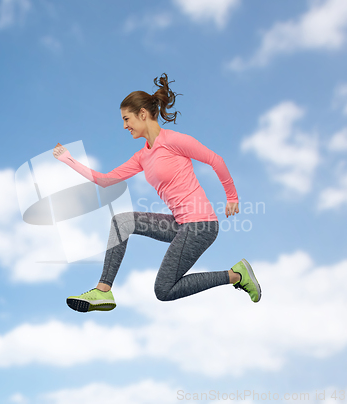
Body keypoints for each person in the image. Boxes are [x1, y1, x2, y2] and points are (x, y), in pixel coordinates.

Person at [53, 73, 261, 313]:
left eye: (126, 118)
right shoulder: (142, 156)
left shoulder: (173, 140)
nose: (124, 126)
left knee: (163, 290)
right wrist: (69, 160)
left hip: (201, 225)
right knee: (122, 222)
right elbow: (105, 180)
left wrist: (232, 197)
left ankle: (236, 275)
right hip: (180, 224)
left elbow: (215, 159)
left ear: (143, 114)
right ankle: (103, 290)